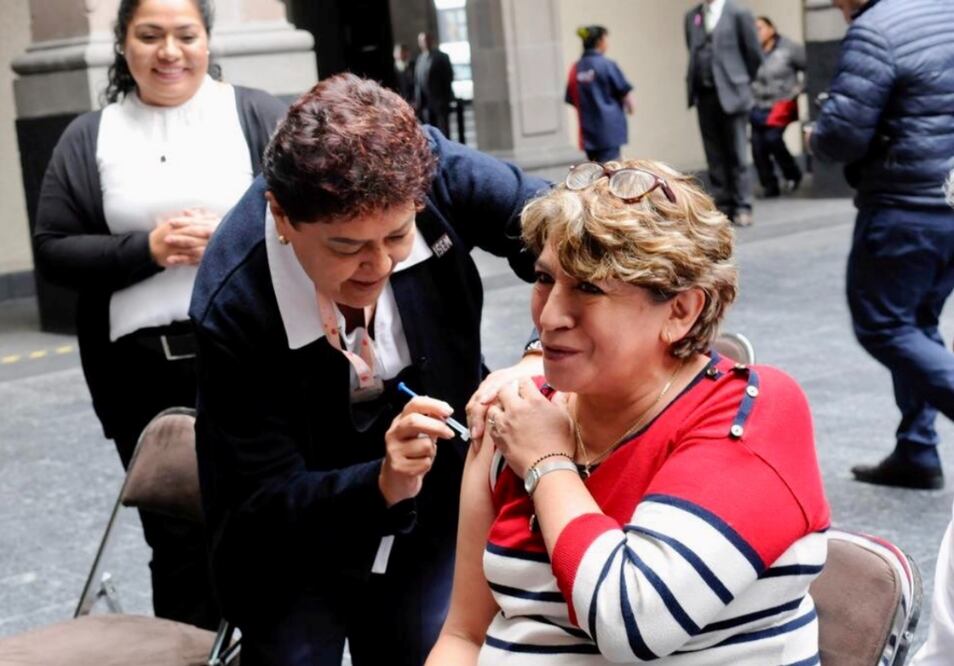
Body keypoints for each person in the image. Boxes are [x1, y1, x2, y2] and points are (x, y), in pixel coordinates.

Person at [189, 73, 547, 666]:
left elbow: (571, 228)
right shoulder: (233, 302)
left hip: (433, 505)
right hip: (290, 537)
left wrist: (539, 355)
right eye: (344, 246)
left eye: (398, 235)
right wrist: (380, 482)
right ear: (280, 215)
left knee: (430, 643)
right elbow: (261, 500)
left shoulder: (433, 169)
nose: (376, 265)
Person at [427, 159, 831, 664]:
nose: (549, 316)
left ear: (680, 311)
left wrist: (548, 463)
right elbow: (464, 634)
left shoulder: (750, 412)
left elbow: (634, 621)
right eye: (544, 279)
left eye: (589, 288)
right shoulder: (516, 416)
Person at [32, 0, 286, 629]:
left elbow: (319, 216)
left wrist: (237, 233)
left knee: (268, 522)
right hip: (141, 371)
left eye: (184, 35)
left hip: (255, 357)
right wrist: (143, 249)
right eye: (149, 36)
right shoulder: (90, 135)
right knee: (175, 540)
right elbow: (52, 248)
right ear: (124, 44)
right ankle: (184, 648)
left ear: (207, 40)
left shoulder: (255, 113)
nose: (168, 51)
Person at [808, 0, 954, 490]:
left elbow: (843, 136)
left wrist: (816, 132)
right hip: (947, 201)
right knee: (917, 323)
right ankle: (917, 450)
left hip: (906, 207)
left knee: (885, 325)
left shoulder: (877, 30)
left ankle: (918, 445)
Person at [685, 0, 763, 227]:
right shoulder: (692, 16)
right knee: (714, 154)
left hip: (733, 94)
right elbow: (692, 49)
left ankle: (743, 205)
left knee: (737, 153)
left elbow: (754, 55)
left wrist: (741, 82)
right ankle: (722, 204)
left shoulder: (738, 12)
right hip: (704, 94)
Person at [750, 16, 805, 198]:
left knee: (773, 138)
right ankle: (769, 184)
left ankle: (792, 174)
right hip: (758, 104)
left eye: (759, 28)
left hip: (781, 104)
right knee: (758, 145)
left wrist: (797, 90)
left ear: (771, 29)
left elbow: (810, 67)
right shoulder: (752, 51)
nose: (756, 32)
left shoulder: (789, 48)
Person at [564, 25, 635, 163]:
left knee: (595, 171)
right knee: (611, 171)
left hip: (588, 133)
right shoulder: (607, 65)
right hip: (610, 131)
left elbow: (571, 97)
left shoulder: (575, 69)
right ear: (600, 42)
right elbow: (624, 91)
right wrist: (631, 108)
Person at [414, 32, 455, 138]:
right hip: (426, 104)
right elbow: (418, 82)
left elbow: (448, 77)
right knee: (429, 133)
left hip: (439, 101)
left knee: (443, 131)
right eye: (422, 41)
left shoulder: (442, 57)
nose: (425, 43)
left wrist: (446, 99)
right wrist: (418, 101)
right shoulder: (420, 59)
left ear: (431, 41)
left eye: (427, 40)